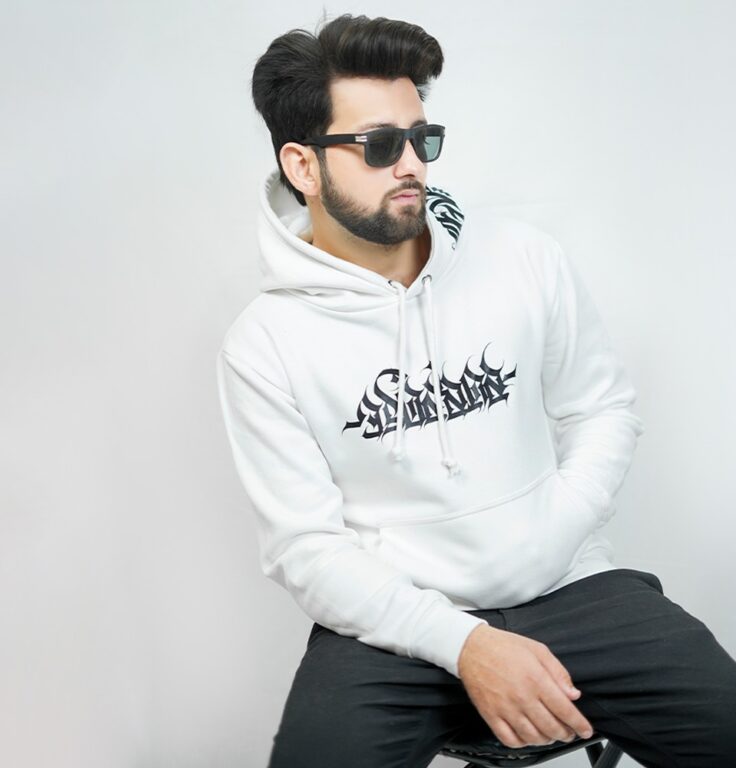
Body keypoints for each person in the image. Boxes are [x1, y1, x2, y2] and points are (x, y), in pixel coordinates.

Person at [216, 13, 736, 768]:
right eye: (379, 145)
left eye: (421, 139)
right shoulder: (265, 343)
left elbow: (602, 409)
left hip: (567, 586)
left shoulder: (523, 259)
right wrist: (465, 644)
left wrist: (552, 530)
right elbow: (307, 547)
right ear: (303, 166)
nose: (411, 166)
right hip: (394, 623)